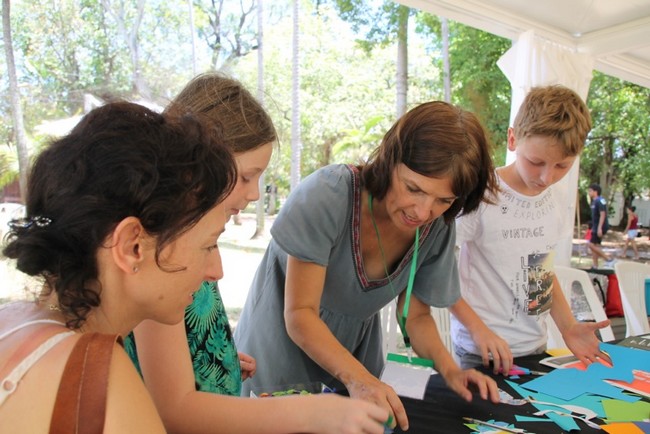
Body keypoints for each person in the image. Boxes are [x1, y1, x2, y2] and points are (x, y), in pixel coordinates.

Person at [124, 72, 389, 434]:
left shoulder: (188, 239)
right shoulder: (162, 261)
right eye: (247, 176)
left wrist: (219, 360)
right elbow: (174, 407)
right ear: (199, 164)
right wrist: (309, 413)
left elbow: (183, 347)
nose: (253, 194)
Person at [234, 100, 503, 431]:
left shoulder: (437, 227)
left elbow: (416, 316)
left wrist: (451, 371)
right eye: (414, 188)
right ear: (391, 161)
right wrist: (358, 379)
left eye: (443, 200)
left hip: (356, 360)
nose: (422, 212)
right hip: (279, 350)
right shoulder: (329, 195)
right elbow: (300, 314)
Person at [0, 101, 238, 432]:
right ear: (132, 246)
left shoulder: (12, 321)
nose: (216, 271)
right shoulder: (100, 378)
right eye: (208, 245)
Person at [449, 85, 611, 376]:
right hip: (480, 349)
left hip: (534, 346)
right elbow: (436, 270)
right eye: (535, 162)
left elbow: (540, 272)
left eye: (562, 165)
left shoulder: (556, 200)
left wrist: (568, 327)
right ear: (513, 139)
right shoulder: (481, 194)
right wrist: (477, 330)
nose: (547, 177)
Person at [587, 183, 612, 268]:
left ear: (595, 191)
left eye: (590, 191)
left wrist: (599, 228)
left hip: (599, 226)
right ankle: (595, 265)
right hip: (595, 226)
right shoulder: (594, 201)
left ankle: (608, 259)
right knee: (595, 246)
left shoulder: (600, 200)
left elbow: (602, 214)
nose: (589, 192)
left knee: (590, 245)